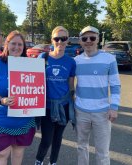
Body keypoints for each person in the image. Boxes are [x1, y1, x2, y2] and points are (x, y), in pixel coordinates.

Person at [0, 30, 36, 165]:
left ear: (24, 47)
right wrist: (1, 99)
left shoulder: (31, 65)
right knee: (0, 154)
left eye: (20, 44)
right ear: (7, 44)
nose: (16, 47)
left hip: (23, 120)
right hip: (1, 119)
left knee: (18, 152)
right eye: (13, 44)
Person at [74, 26, 121, 165]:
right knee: (81, 147)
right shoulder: (76, 61)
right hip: (81, 111)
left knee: (103, 152)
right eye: (85, 38)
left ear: (98, 39)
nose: (89, 41)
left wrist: (114, 107)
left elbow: (115, 85)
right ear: (80, 41)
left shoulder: (109, 59)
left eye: (92, 38)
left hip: (103, 112)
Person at [34, 26, 76, 165]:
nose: (60, 41)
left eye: (63, 38)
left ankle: (53, 162)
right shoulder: (43, 57)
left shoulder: (71, 62)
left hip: (63, 106)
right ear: (52, 40)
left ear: (67, 40)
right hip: (47, 106)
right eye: (57, 38)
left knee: (58, 138)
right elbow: (33, 81)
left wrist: (73, 103)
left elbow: (71, 85)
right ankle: (39, 161)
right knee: (46, 139)